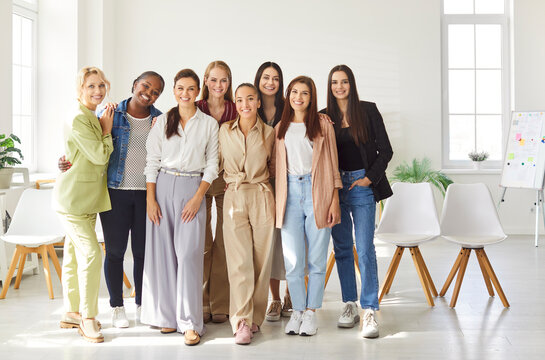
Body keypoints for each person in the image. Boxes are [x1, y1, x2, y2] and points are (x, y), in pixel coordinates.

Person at [59, 71, 165, 328]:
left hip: (146, 195)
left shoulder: (161, 120)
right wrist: (64, 161)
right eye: (145, 87)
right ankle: (117, 307)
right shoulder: (109, 114)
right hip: (115, 193)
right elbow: (85, 146)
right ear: (134, 85)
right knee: (115, 252)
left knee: (142, 252)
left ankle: (141, 303)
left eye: (155, 92)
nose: (148, 94)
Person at [141, 69, 218, 346]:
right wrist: (151, 199)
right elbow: (151, 162)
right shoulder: (162, 121)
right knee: (162, 254)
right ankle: (165, 317)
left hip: (192, 189)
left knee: (188, 255)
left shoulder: (209, 124)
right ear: (174, 91)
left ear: (198, 92)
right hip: (162, 186)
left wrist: (198, 198)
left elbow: (212, 165)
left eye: (191, 89)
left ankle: (189, 322)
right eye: (180, 88)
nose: (185, 93)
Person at [324, 64, 393, 339]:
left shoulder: (368, 110)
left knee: (365, 249)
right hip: (334, 187)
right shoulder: (323, 116)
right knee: (342, 247)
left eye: (344, 82)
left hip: (362, 185)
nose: (339, 87)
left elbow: (385, 150)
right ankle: (349, 304)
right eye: (334, 82)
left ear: (351, 84)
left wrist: (369, 178)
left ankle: (369, 310)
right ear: (329, 87)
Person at [275, 76, 342, 336]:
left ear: (312, 98)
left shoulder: (323, 125)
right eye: (294, 92)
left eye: (304, 93)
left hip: (318, 191)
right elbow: (275, 166)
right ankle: (298, 311)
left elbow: (333, 166)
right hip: (289, 194)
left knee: (316, 258)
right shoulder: (280, 127)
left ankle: (312, 312)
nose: (298, 97)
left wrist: (333, 200)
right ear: (289, 95)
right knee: (293, 260)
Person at [54, 66, 114, 343]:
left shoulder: (89, 114)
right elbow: (100, 155)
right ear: (80, 89)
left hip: (86, 198)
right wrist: (106, 131)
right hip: (73, 201)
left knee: (75, 254)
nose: (97, 91)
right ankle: (88, 318)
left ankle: (72, 311)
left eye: (101, 85)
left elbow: (74, 153)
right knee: (92, 254)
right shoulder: (80, 117)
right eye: (90, 86)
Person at [220, 83, 276, 344]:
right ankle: (241, 320)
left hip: (262, 195)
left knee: (261, 261)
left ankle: (255, 319)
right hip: (234, 194)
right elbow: (214, 163)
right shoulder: (224, 131)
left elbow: (275, 168)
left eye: (250, 99)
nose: (245, 104)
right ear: (235, 102)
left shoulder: (270, 133)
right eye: (240, 99)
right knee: (239, 261)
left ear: (257, 102)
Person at [197, 60, 237, 324]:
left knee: (224, 242)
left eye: (223, 80)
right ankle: (201, 301)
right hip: (199, 181)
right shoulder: (196, 107)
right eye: (213, 80)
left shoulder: (236, 109)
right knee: (202, 241)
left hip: (227, 181)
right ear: (205, 81)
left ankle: (221, 301)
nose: (218, 86)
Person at [253, 62, 292, 321]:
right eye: (266, 77)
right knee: (270, 244)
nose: (270, 82)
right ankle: (275, 299)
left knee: (294, 239)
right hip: (262, 183)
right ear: (258, 80)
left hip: (289, 180)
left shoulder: (289, 107)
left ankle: (293, 294)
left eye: (275, 78)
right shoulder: (249, 107)